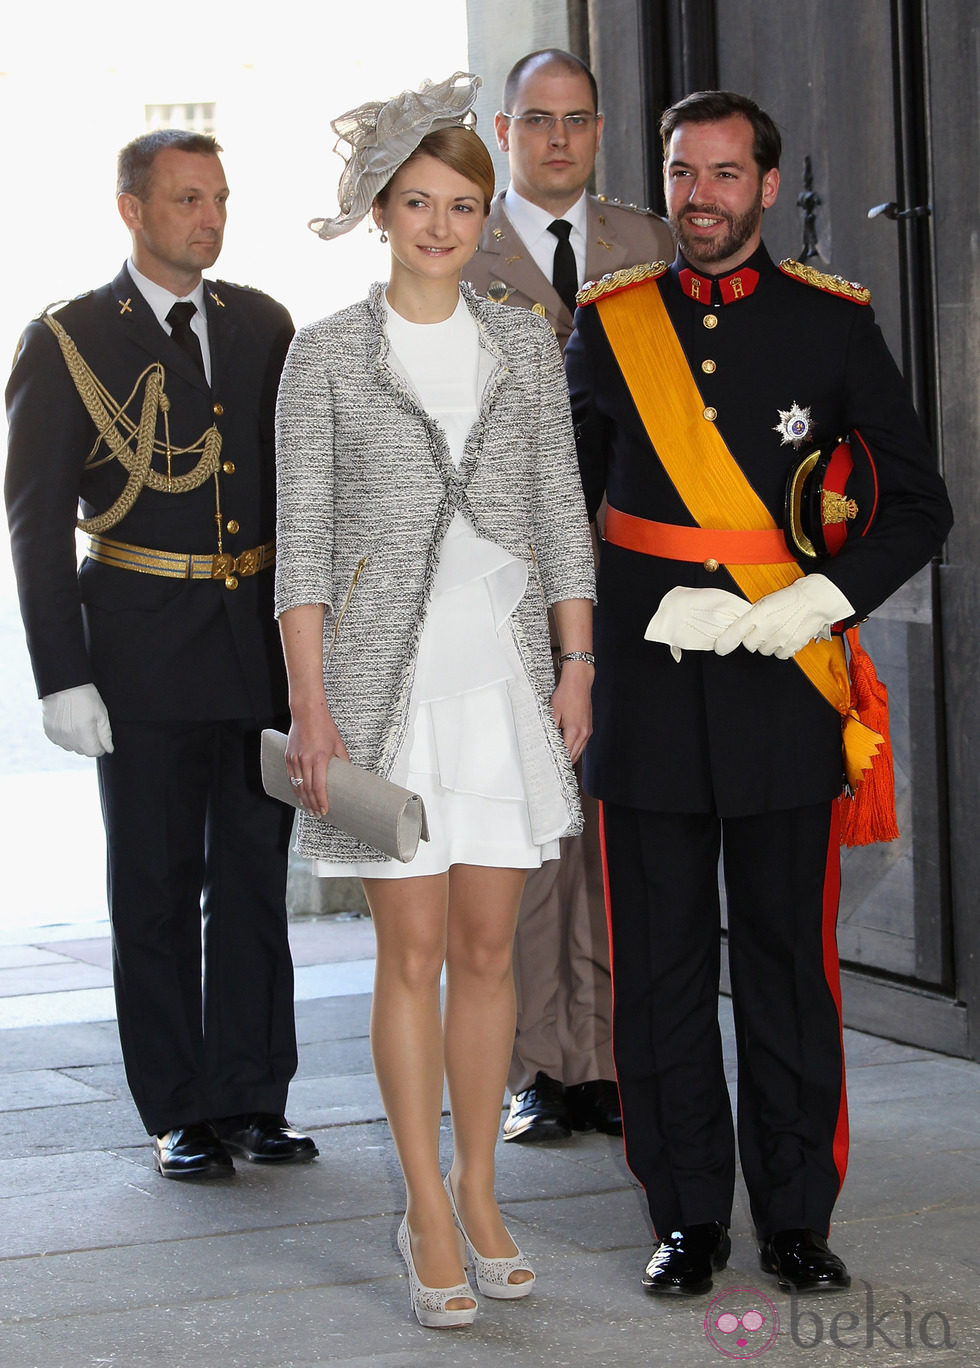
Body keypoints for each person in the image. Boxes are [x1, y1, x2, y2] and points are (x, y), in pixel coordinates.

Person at [565, 90, 953, 1298]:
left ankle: (794, 1214)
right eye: (683, 173)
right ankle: (685, 1215)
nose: (700, 199)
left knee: (789, 965)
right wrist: (615, 623)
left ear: (767, 188)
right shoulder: (611, 323)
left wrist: (814, 603)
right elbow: (551, 509)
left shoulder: (829, 327)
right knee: (664, 970)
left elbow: (915, 502)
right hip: (646, 697)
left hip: (785, 693)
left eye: (725, 176)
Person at [274, 73, 595, 1328]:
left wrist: (575, 666)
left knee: (486, 952)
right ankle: (419, 1203)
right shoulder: (326, 355)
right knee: (408, 956)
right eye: (419, 203)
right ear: (381, 212)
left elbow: (564, 516)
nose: (443, 227)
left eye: (464, 205)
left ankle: (479, 1187)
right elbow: (300, 549)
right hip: (382, 691)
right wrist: (311, 707)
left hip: (504, 685)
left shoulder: (523, 337)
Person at [5, 129, 317, 1180]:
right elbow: (35, 519)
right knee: (152, 884)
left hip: (251, 650)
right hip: (137, 652)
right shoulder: (68, 337)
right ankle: (178, 1108)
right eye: (188, 200)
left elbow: (296, 489)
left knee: (251, 881)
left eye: (220, 198)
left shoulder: (264, 323)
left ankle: (252, 1095)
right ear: (132, 210)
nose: (211, 219)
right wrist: (62, 673)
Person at [463, 47, 672, 1147]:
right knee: (528, 824)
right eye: (536, 121)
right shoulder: (458, 237)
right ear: (503, 132)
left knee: (612, 822)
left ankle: (605, 1051)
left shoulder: (645, 242)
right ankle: (536, 1062)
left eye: (576, 121)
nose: (556, 140)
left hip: (629, 574)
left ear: (599, 131)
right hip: (505, 581)